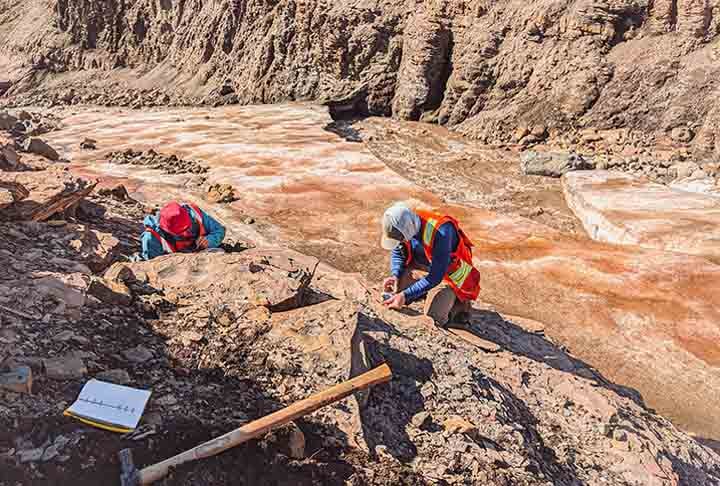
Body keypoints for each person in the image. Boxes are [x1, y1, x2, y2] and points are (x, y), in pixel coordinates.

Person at [380, 202, 481, 327]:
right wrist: (395, 274)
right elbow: (398, 251)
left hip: (450, 278)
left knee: (433, 317)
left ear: (407, 231)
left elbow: (435, 277)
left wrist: (405, 295)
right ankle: (423, 293)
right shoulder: (404, 225)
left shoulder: (442, 231)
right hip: (427, 269)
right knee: (396, 290)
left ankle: (459, 306)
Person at [140, 201, 226, 260]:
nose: (185, 234)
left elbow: (219, 230)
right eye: (180, 233)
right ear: (167, 230)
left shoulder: (195, 214)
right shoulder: (151, 238)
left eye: (188, 228)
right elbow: (153, 266)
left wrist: (210, 240)